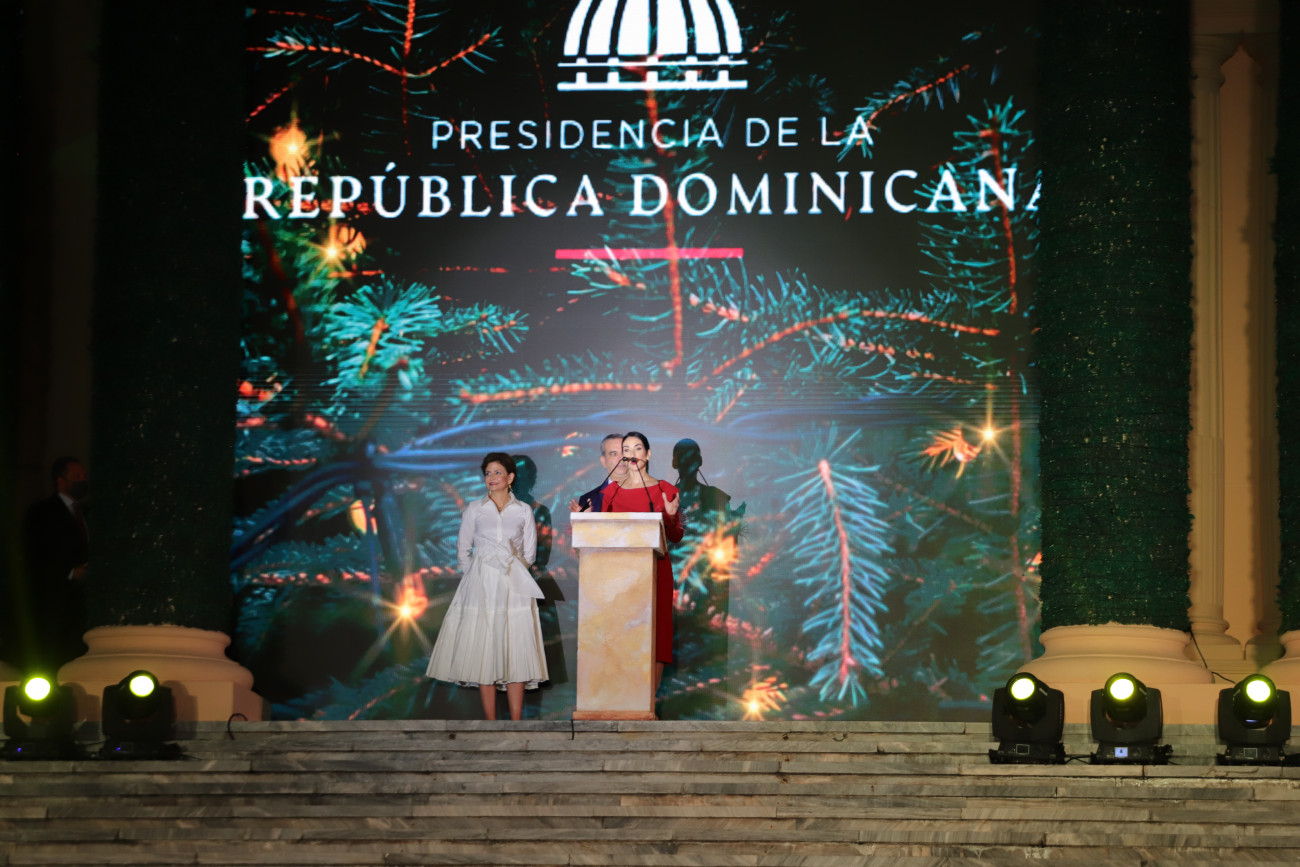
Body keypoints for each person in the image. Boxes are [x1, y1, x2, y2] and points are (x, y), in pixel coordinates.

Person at [426, 452, 548, 720]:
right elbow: (463, 550)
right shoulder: (474, 509)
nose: (492, 478)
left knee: (516, 646)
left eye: (497, 472)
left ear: (510, 477)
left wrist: (511, 572)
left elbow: (529, 554)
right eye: (488, 473)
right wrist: (477, 575)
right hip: (481, 584)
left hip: (514, 584)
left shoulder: (523, 510)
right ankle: (490, 723)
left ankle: (516, 722)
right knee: (485, 647)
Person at [601, 432, 683, 696]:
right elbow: (601, 534)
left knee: (656, 634)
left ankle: (647, 704)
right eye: (627, 449)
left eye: (638, 448)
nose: (632, 454)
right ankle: (625, 701)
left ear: (648, 454)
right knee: (623, 633)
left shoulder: (665, 490)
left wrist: (671, 517)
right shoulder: (611, 492)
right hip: (620, 576)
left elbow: (676, 536)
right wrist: (586, 520)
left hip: (656, 572)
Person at [21, 456, 90, 671]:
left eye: (84, 476)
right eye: (76, 476)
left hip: (83, 600)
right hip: (54, 600)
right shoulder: (42, 512)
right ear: (61, 481)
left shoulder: (87, 512)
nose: (82, 480)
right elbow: (35, 554)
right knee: (53, 654)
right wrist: (69, 572)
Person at [568, 433, 628, 513]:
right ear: (603, 461)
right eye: (614, 454)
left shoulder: (645, 493)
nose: (621, 458)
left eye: (625, 452)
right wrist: (585, 519)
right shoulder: (587, 500)